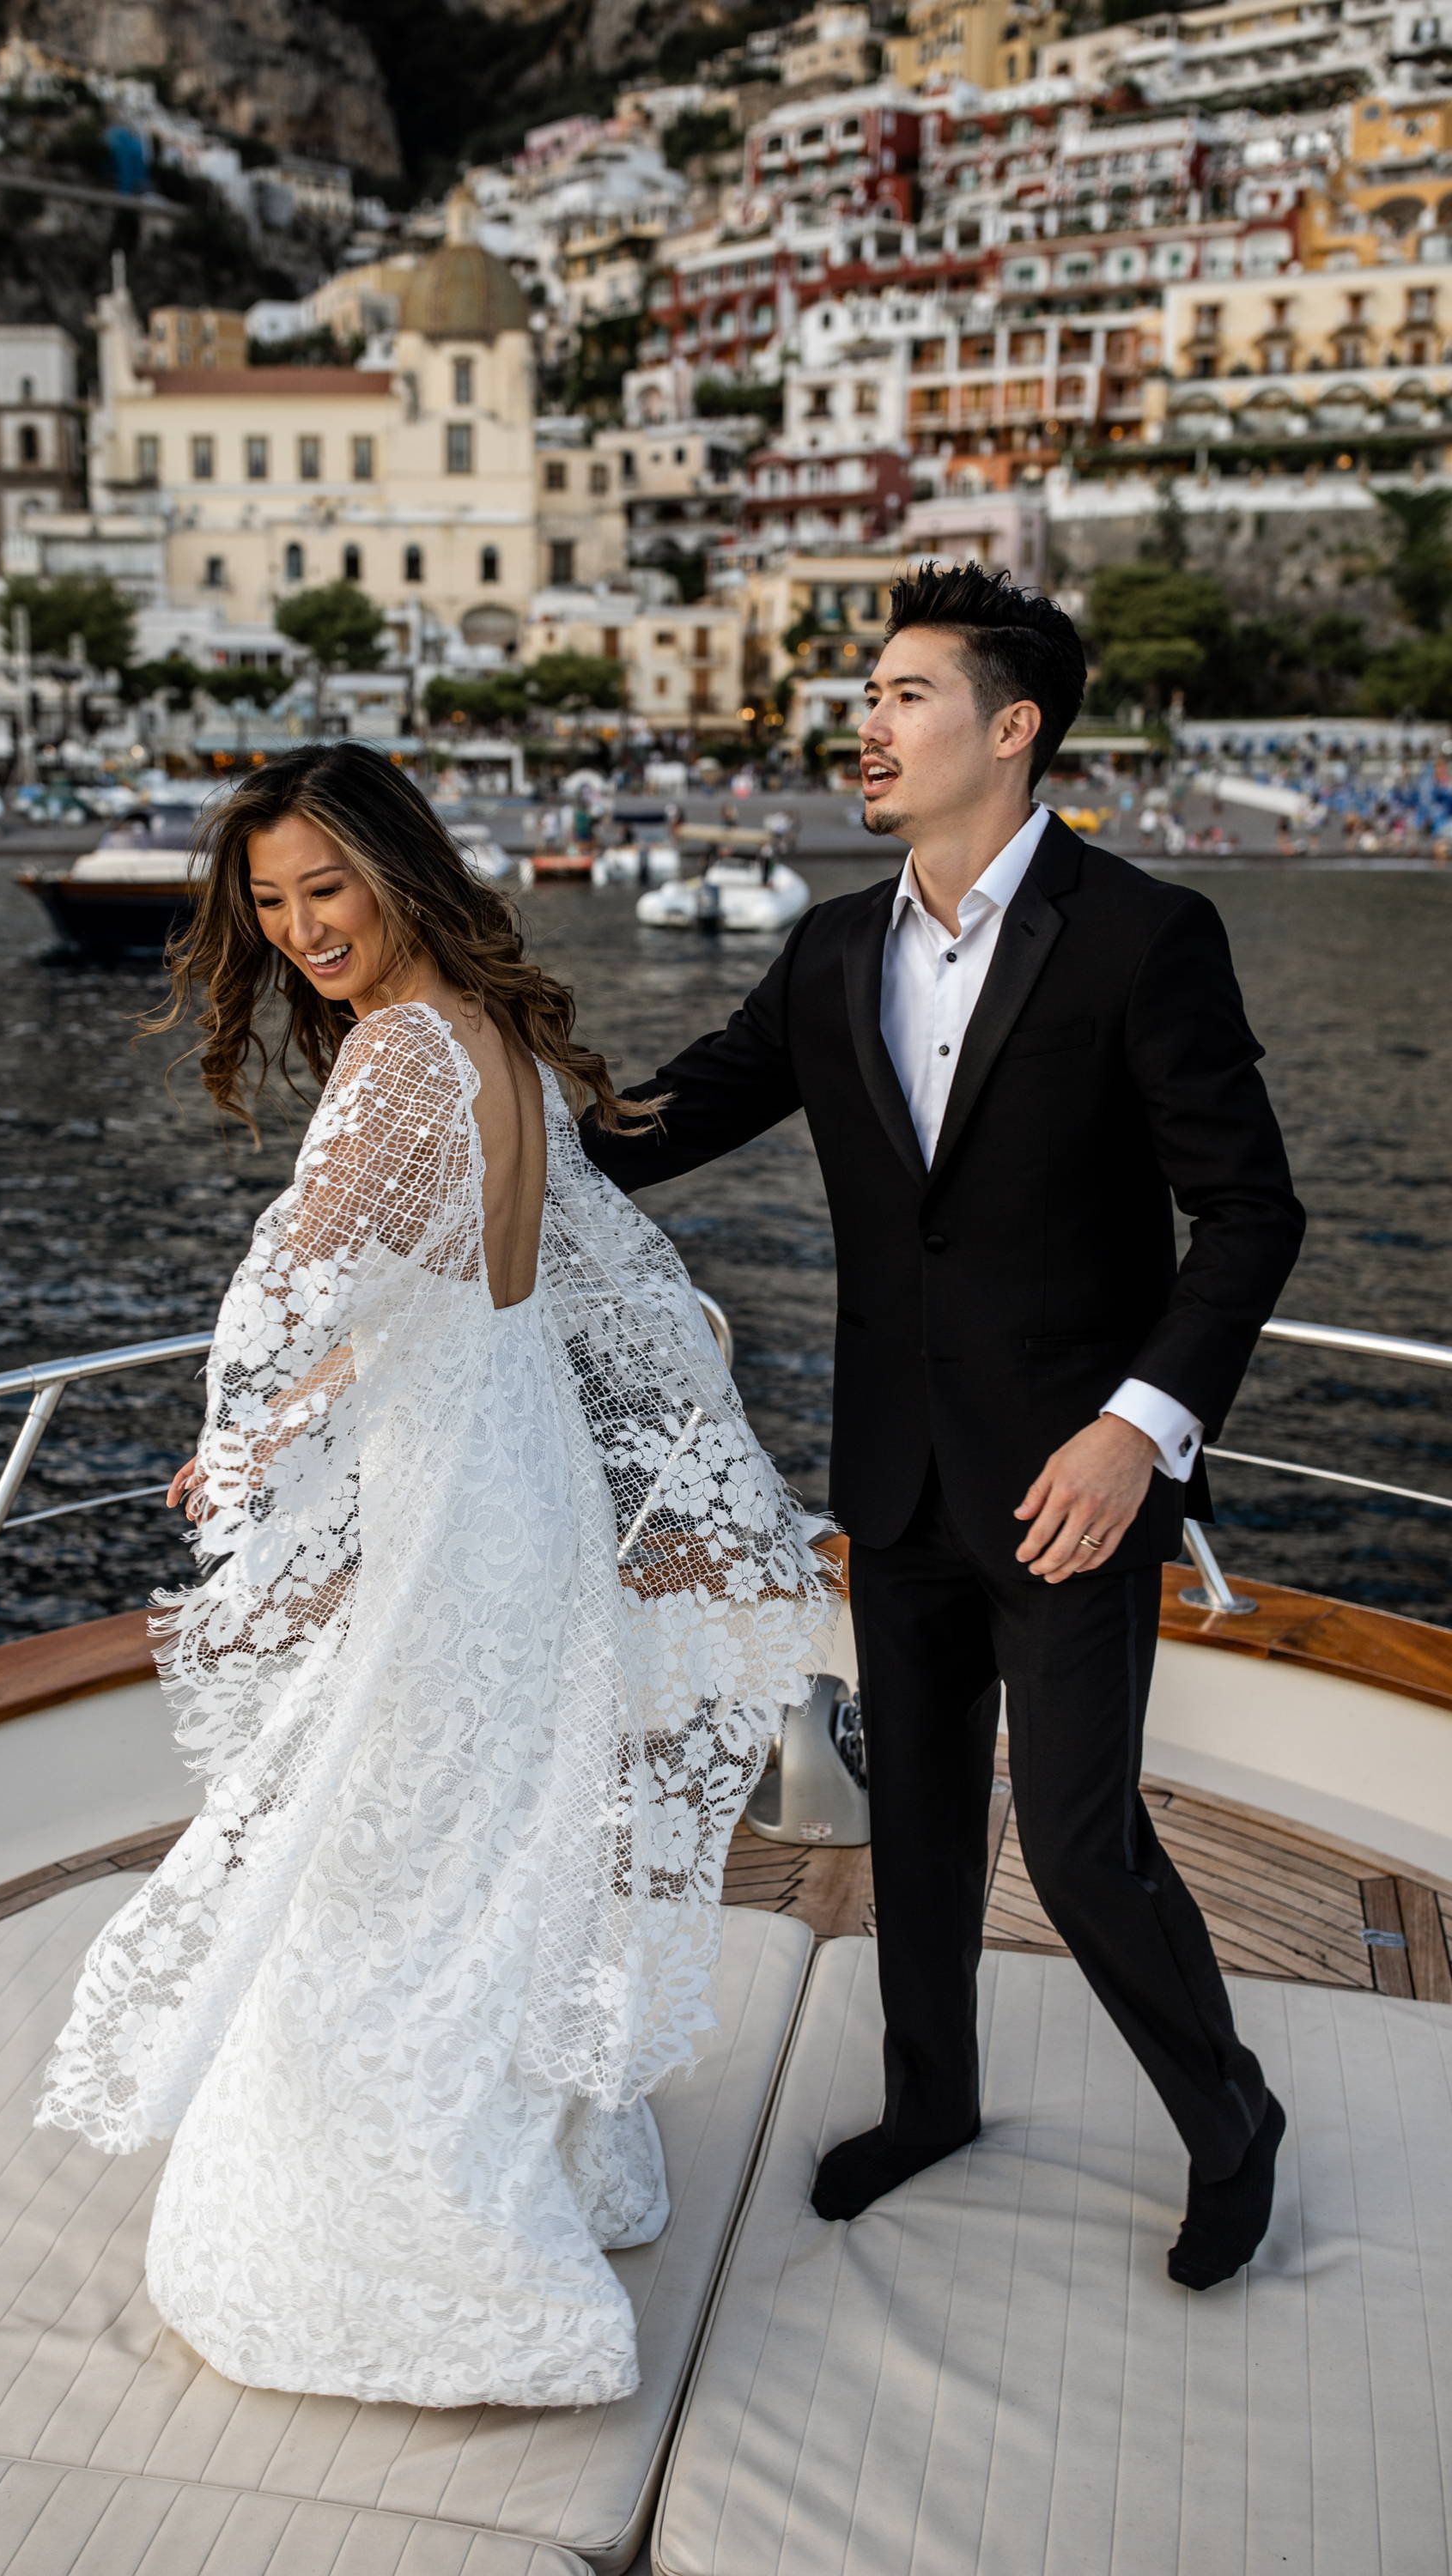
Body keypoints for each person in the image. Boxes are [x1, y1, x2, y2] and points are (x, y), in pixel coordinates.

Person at [33, 742, 830, 2406]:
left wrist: (247, 1436)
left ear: (399, 868)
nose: (302, 928)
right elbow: (466, 1291)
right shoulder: (503, 1039)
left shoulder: (398, 1060)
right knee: (491, 1842)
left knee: (387, 1869)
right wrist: (298, 1414)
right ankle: (536, 2166)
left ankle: (432, 2261)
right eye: (268, 903)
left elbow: (290, 1294)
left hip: (451, 1505)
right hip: (512, 1479)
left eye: (326, 888)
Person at [580, 562, 1305, 2292]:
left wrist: (1139, 1428)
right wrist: (476, 1078)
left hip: (1073, 1486)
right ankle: (930, 2103)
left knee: (1072, 1837)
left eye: (906, 693)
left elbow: (1252, 1213)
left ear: (1012, 725)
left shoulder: (1143, 935)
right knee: (909, 1817)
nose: (870, 722)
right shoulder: (831, 949)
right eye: (872, 695)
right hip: (891, 1472)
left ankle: (1230, 2120)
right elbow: (661, 1122)